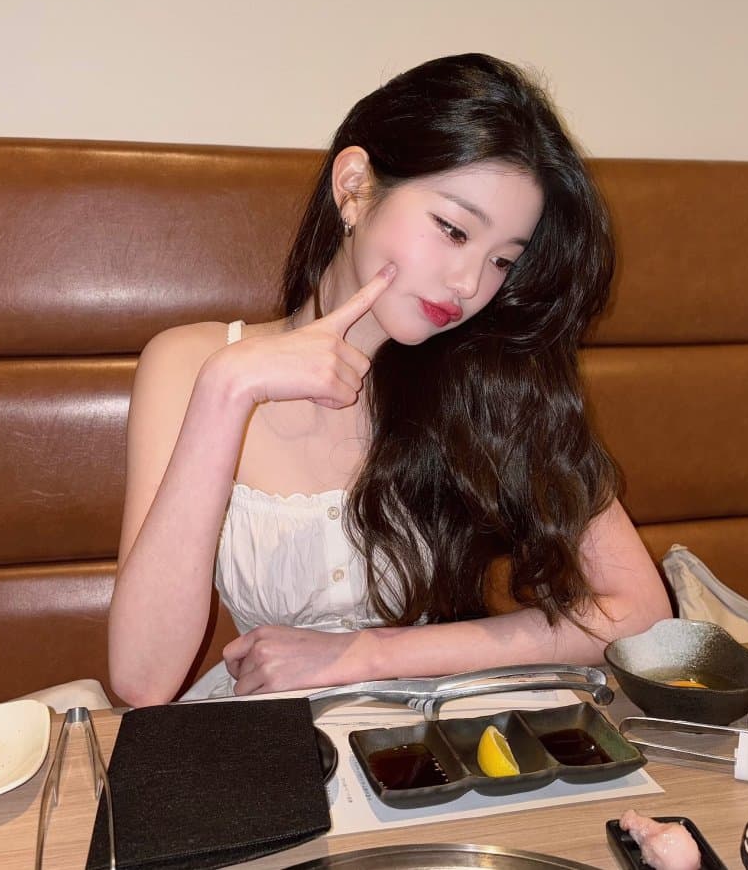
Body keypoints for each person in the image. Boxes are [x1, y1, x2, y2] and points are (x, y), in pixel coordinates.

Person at [108, 53, 671, 707]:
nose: (469, 284)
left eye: (501, 261)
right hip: (274, 738)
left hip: (432, 729)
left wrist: (367, 654)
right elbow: (142, 681)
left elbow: (641, 614)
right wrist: (228, 390)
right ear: (354, 187)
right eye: (453, 230)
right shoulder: (192, 364)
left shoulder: (490, 380)